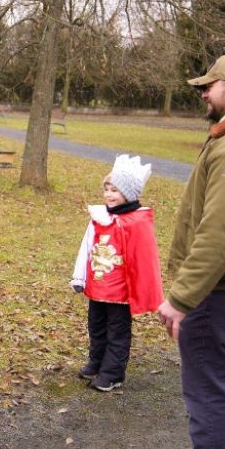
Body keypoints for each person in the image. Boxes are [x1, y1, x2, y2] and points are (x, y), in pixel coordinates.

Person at [142, 54, 225, 449]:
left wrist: (182, 298)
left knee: (210, 390)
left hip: (218, 293)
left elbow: (220, 233)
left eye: (210, 85)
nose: (203, 92)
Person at [70, 155, 164, 391]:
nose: (108, 195)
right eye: (107, 189)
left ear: (129, 194)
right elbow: (86, 247)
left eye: (115, 190)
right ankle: (97, 362)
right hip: (98, 284)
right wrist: (79, 277)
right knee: (96, 325)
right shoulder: (99, 217)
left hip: (121, 291)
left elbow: (143, 258)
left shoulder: (137, 221)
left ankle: (112, 373)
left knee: (117, 330)